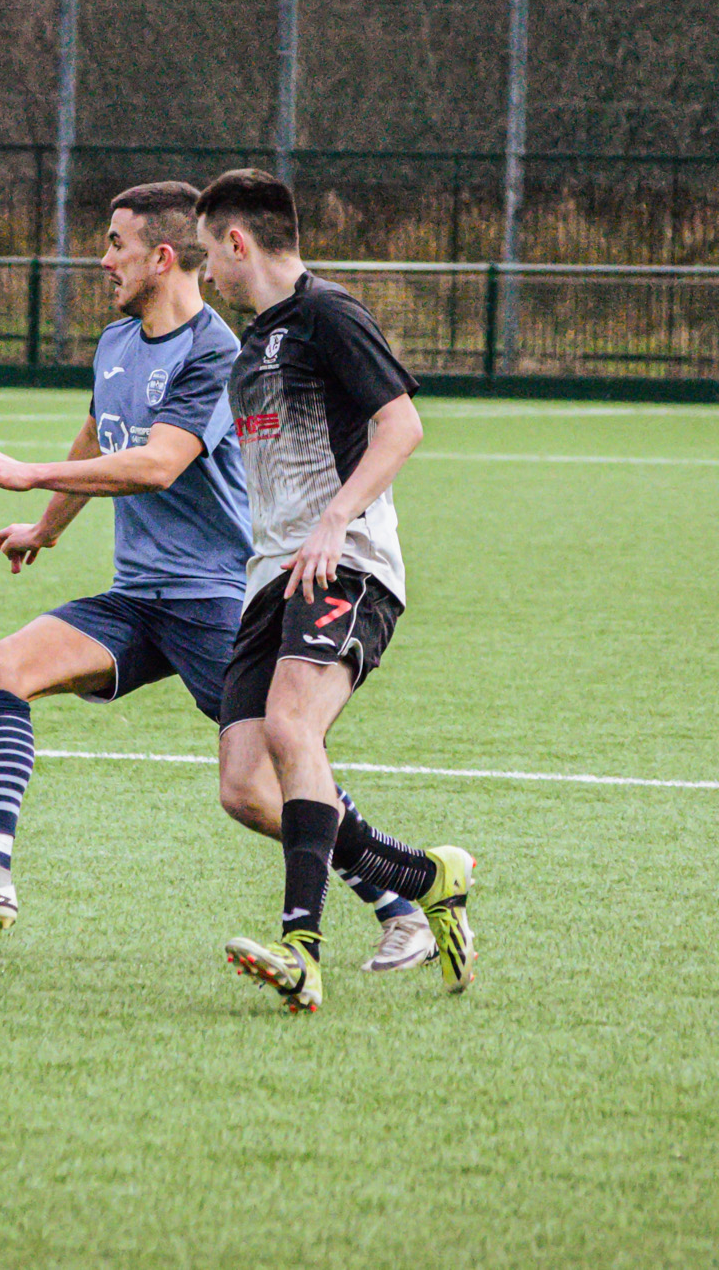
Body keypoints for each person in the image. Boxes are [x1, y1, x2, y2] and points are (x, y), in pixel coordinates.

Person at [0, 181, 438, 975]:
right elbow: (99, 435)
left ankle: (402, 906)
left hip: (217, 598)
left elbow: (157, 462)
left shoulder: (220, 351)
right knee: (0, 667)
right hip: (137, 597)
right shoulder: (117, 343)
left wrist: (24, 472)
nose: (103, 258)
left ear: (162, 254)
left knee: (263, 781)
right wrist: (45, 526)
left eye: (115, 242)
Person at [193, 167, 474, 1015]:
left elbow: (403, 424)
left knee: (290, 725)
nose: (207, 274)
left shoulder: (328, 313)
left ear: (238, 242)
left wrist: (334, 518)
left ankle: (301, 950)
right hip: (271, 579)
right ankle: (427, 878)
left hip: (345, 563)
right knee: (245, 786)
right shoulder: (250, 348)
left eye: (209, 254)